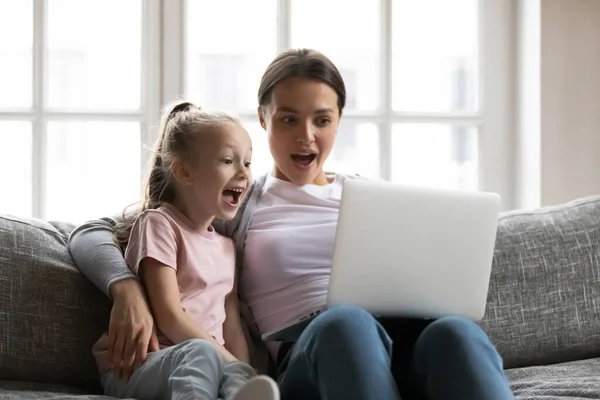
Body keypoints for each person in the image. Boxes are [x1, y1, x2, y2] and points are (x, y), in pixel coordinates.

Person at [69, 49, 514, 400]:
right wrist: (125, 288)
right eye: (288, 119)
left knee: (456, 332)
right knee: (345, 324)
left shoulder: (375, 198)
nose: (306, 136)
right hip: (317, 354)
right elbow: (91, 232)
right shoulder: (236, 201)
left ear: (339, 121)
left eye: (322, 120)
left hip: (402, 344)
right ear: (263, 118)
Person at [90, 101, 280, 400]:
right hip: (142, 365)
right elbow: (169, 316)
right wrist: (227, 361)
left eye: (247, 162)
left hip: (208, 360)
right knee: (200, 354)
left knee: (237, 374)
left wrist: (242, 368)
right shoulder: (159, 225)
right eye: (228, 161)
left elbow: (231, 325)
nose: (244, 174)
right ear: (184, 171)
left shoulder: (227, 247)